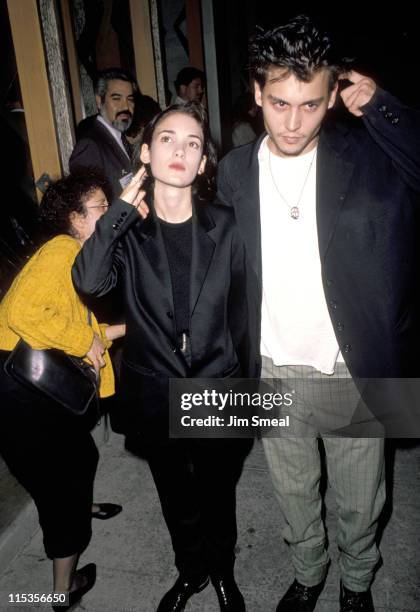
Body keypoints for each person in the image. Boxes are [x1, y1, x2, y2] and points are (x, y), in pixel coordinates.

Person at [217, 14, 420, 612]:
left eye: (309, 104)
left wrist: (380, 105)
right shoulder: (233, 171)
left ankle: (356, 584)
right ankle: (308, 572)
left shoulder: (371, 157)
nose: (293, 122)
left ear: (333, 95)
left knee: (362, 500)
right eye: (279, 103)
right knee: (293, 490)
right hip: (273, 363)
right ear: (257, 94)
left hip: (350, 365)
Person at [72, 102, 253, 612]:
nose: (180, 150)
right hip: (155, 392)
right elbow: (88, 282)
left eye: (193, 143)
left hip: (219, 386)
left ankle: (221, 573)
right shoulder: (128, 232)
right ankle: (190, 572)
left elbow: (246, 315)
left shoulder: (229, 226)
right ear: (147, 153)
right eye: (168, 139)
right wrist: (117, 216)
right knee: (177, 499)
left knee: (219, 497)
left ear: (203, 163)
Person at [0, 170, 126, 610]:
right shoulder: (63, 249)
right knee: (62, 492)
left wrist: (133, 327)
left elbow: (83, 330)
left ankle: (79, 507)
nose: (110, 214)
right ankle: (61, 591)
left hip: (32, 386)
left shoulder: (79, 255)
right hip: (21, 391)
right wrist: (84, 340)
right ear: (75, 218)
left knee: (83, 457)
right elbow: (20, 311)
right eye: (101, 209)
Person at [70, 67, 138, 200]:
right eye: (116, 99)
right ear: (99, 101)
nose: (125, 107)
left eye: (130, 99)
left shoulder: (119, 137)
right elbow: (90, 209)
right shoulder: (89, 146)